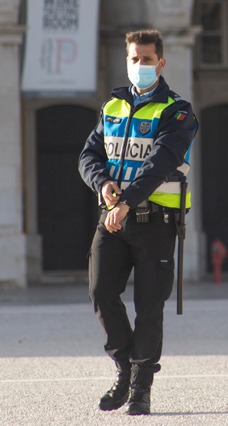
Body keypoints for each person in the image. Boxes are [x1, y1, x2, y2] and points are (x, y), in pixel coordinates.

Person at [79, 29, 198, 414]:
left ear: (161, 63)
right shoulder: (112, 105)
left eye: (148, 59)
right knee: (100, 292)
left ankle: (141, 387)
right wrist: (104, 184)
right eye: (135, 59)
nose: (140, 65)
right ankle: (125, 368)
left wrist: (126, 200)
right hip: (113, 216)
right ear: (126, 61)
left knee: (149, 306)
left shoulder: (177, 110)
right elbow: (89, 155)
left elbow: (159, 163)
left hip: (155, 221)